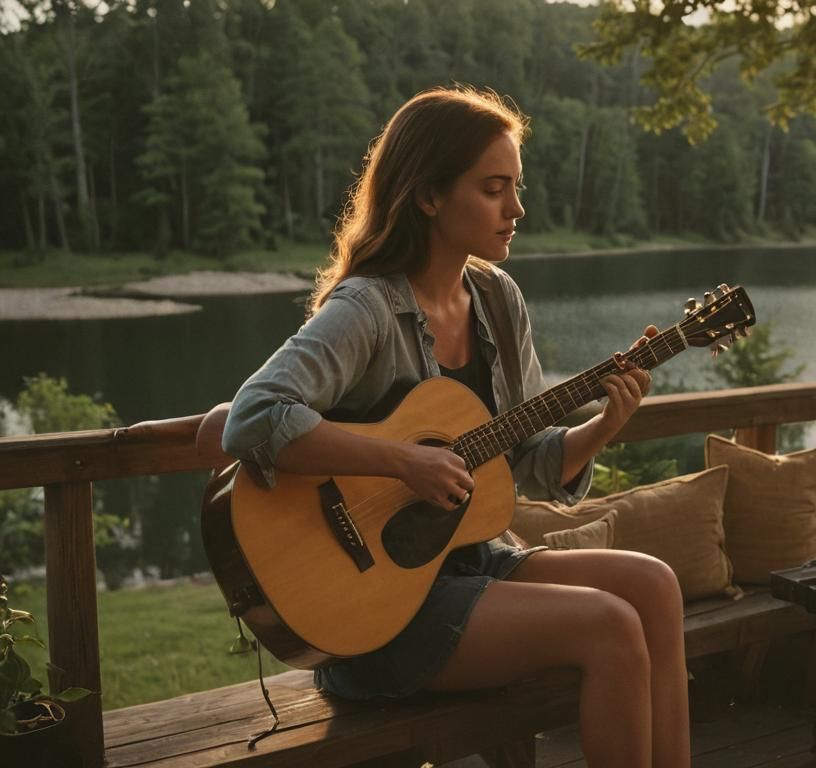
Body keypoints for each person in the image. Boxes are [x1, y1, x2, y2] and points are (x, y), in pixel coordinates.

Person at [221, 86, 689, 768]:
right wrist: (403, 463)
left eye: (517, 188)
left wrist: (601, 426)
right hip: (375, 611)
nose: (517, 210)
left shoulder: (498, 299)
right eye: (495, 189)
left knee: (652, 584)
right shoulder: (369, 307)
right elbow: (254, 417)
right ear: (429, 196)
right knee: (609, 624)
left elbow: (526, 461)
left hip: (471, 563)